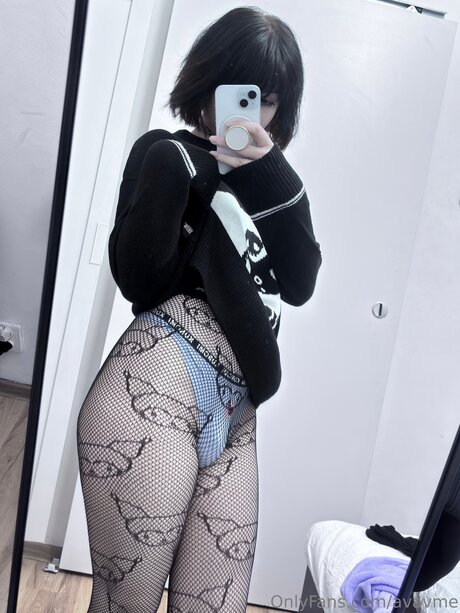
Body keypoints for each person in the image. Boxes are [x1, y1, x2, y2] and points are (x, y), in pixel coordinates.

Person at [76, 6, 322, 613]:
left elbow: (300, 283)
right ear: (206, 84)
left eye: (268, 100)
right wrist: (179, 171)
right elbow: (139, 279)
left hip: (238, 417)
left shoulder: (274, 185)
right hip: (158, 382)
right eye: (237, 90)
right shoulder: (168, 153)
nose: (251, 111)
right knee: (126, 604)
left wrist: (269, 173)